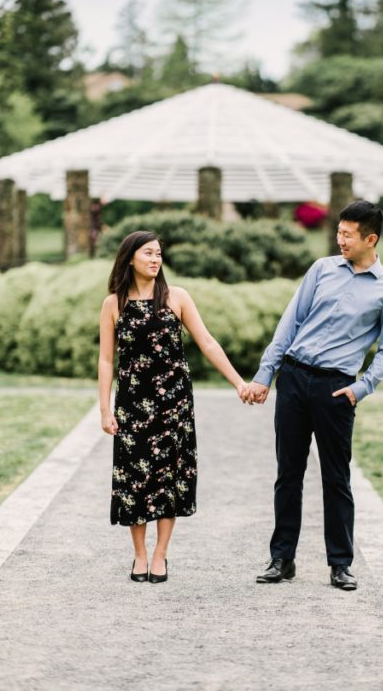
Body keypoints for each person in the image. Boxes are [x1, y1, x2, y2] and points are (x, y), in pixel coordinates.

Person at [244, 200, 383, 590]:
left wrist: (361, 388)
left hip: (337, 389)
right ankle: (282, 559)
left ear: (371, 238)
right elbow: (290, 322)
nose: (340, 240)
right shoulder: (321, 269)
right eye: (339, 232)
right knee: (288, 474)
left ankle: (340, 564)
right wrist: (267, 373)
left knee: (336, 479)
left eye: (348, 235)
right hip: (295, 379)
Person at [98, 231, 249, 583]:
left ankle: (161, 555)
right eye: (148, 253)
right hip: (132, 404)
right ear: (130, 258)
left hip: (173, 404)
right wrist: (105, 409)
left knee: (169, 478)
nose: (155, 259)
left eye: (159, 254)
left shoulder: (176, 297)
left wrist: (239, 382)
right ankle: (139, 555)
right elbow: (107, 360)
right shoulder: (113, 304)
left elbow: (208, 343)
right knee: (133, 478)